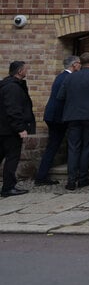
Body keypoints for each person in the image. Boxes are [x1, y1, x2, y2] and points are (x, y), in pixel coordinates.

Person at [57, 52, 89, 190]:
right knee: (87, 147)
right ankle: (83, 178)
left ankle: (71, 181)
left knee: (73, 147)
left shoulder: (69, 77)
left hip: (72, 116)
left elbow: (60, 96)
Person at [33, 55, 81, 185]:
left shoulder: (60, 76)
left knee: (53, 146)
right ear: (74, 65)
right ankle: (41, 177)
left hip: (52, 115)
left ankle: (41, 175)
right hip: (58, 117)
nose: (80, 66)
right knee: (55, 146)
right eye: (79, 64)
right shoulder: (68, 77)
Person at [0, 61, 36, 196]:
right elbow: (13, 110)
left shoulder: (7, 85)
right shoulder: (13, 88)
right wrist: (20, 128)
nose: (27, 71)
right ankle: (8, 187)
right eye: (26, 69)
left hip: (4, 129)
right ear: (20, 71)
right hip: (10, 131)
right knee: (12, 158)